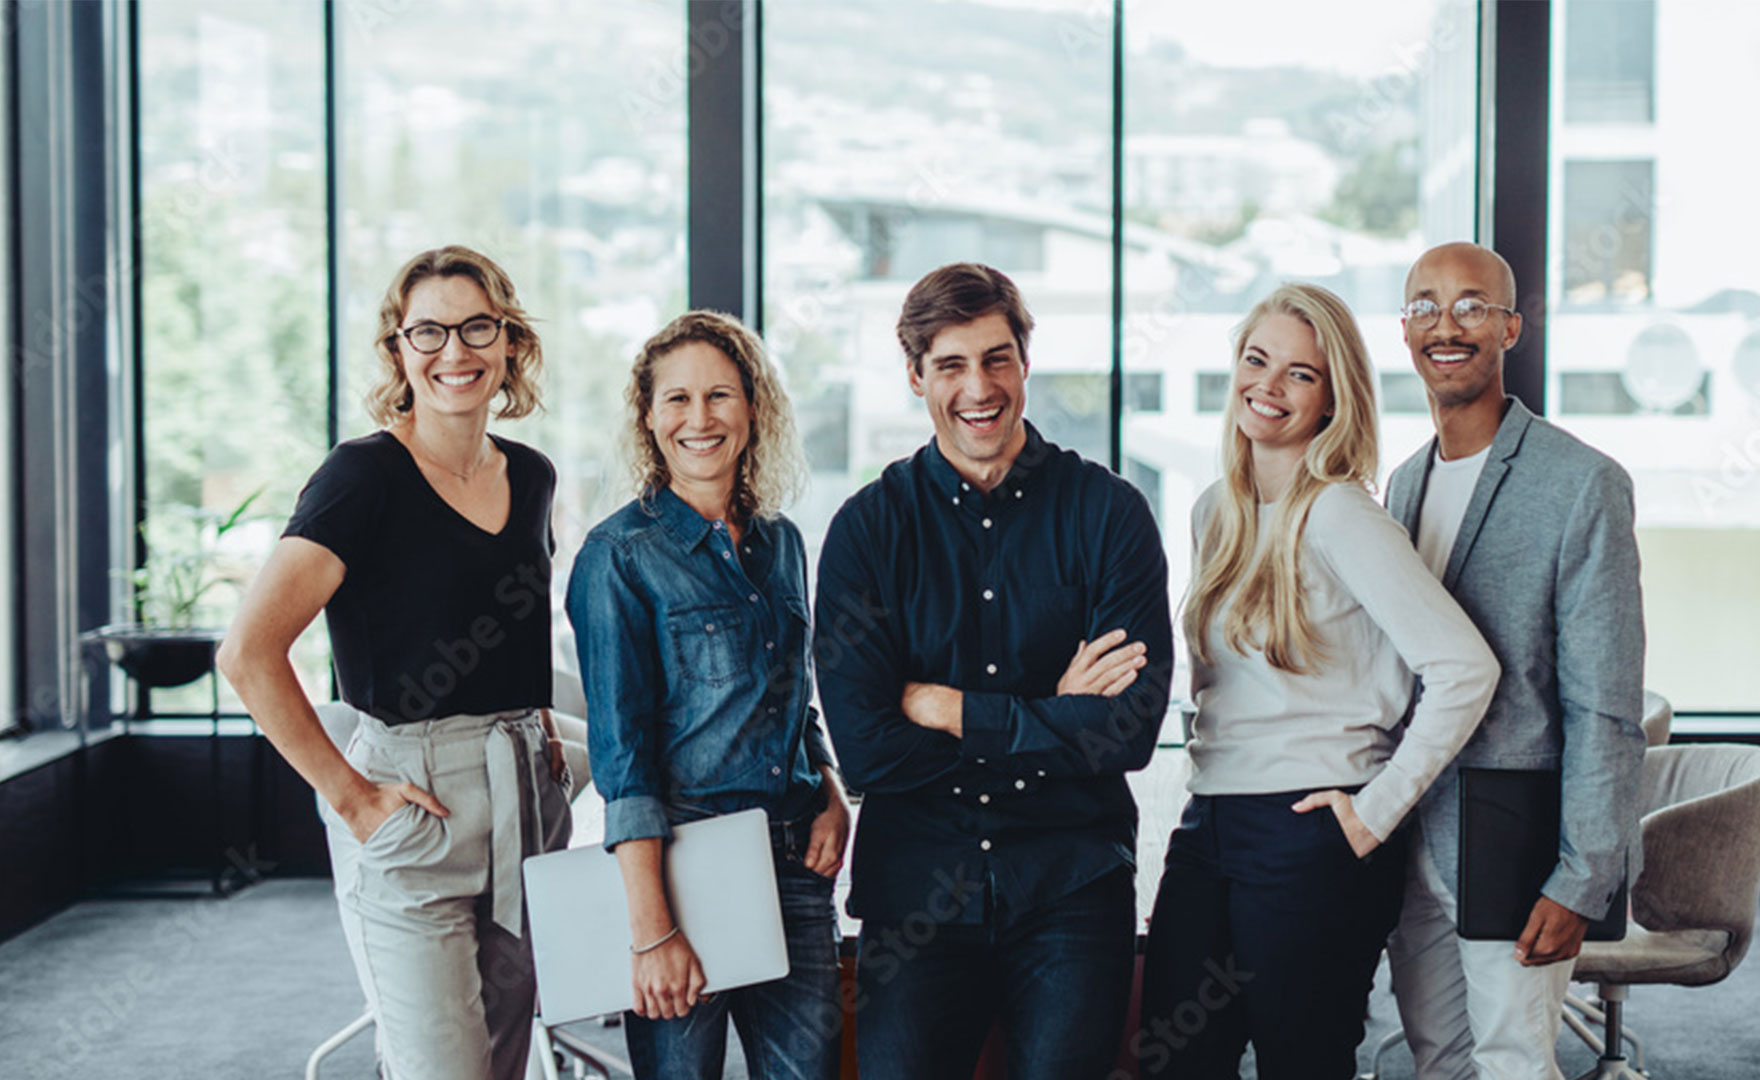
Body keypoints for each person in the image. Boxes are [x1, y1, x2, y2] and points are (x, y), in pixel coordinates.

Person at [217, 245, 571, 1080]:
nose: (456, 351)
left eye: (477, 327)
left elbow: (512, 627)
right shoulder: (362, 476)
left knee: (506, 1062)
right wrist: (353, 798)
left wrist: (543, 729)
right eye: (429, 332)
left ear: (509, 339)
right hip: (416, 805)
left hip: (527, 799)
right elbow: (248, 654)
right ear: (399, 349)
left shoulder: (532, 475)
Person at [813, 262, 1172, 1080]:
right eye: (951, 365)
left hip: (1070, 887)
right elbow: (868, 751)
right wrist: (1052, 713)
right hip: (917, 899)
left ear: (1025, 362)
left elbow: (1128, 731)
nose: (979, 388)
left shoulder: (1108, 513)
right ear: (916, 376)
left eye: (996, 358)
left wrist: (947, 708)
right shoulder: (867, 531)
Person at [1136, 283, 1498, 1079]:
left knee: (1303, 1063)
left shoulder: (1341, 514)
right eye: (1256, 360)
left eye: (1299, 374)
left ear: (1333, 399)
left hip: (1310, 830)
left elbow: (1466, 669)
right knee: (1174, 1056)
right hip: (1212, 821)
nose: (1267, 386)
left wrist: (1374, 813)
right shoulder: (1214, 512)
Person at [1383, 241, 1646, 1080]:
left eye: (1471, 305)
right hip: (1413, 836)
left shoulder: (1581, 482)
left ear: (1510, 329)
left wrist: (1584, 877)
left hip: (1518, 842)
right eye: (1425, 306)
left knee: (1514, 1063)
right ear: (1403, 330)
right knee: (1436, 1058)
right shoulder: (1402, 483)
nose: (1446, 326)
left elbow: (1606, 703)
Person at [566, 310, 850, 1079]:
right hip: (683, 865)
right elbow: (622, 758)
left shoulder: (781, 542)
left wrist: (829, 789)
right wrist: (652, 930)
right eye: (678, 399)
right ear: (648, 417)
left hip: (796, 863)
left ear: (753, 408)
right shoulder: (617, 557)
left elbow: (793, 695)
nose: (700, 419)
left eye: (720, 395)